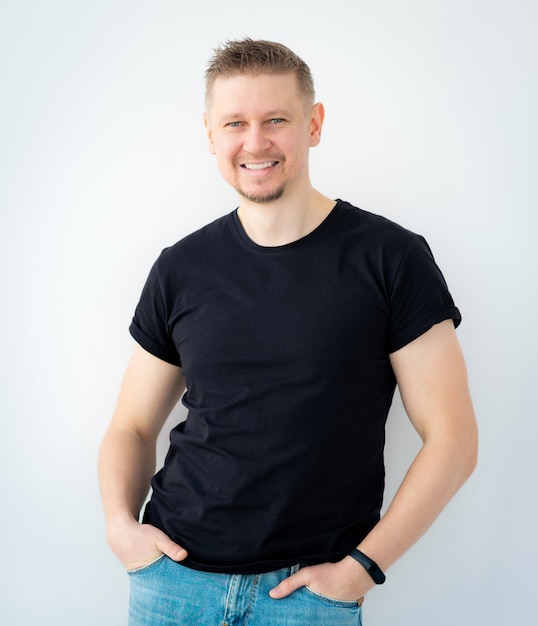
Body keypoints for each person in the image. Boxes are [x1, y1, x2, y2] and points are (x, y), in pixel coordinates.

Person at [98, 38, 478, 625]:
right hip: (173, 584)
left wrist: (361, 570)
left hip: (307, 597)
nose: (255, 142)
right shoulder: (181, 267)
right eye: (235, 123)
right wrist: (122, 529)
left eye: (276, 119)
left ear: (314, 124)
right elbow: (132, 423)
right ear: (210, 134)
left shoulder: (391, 258)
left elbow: (453, 440)